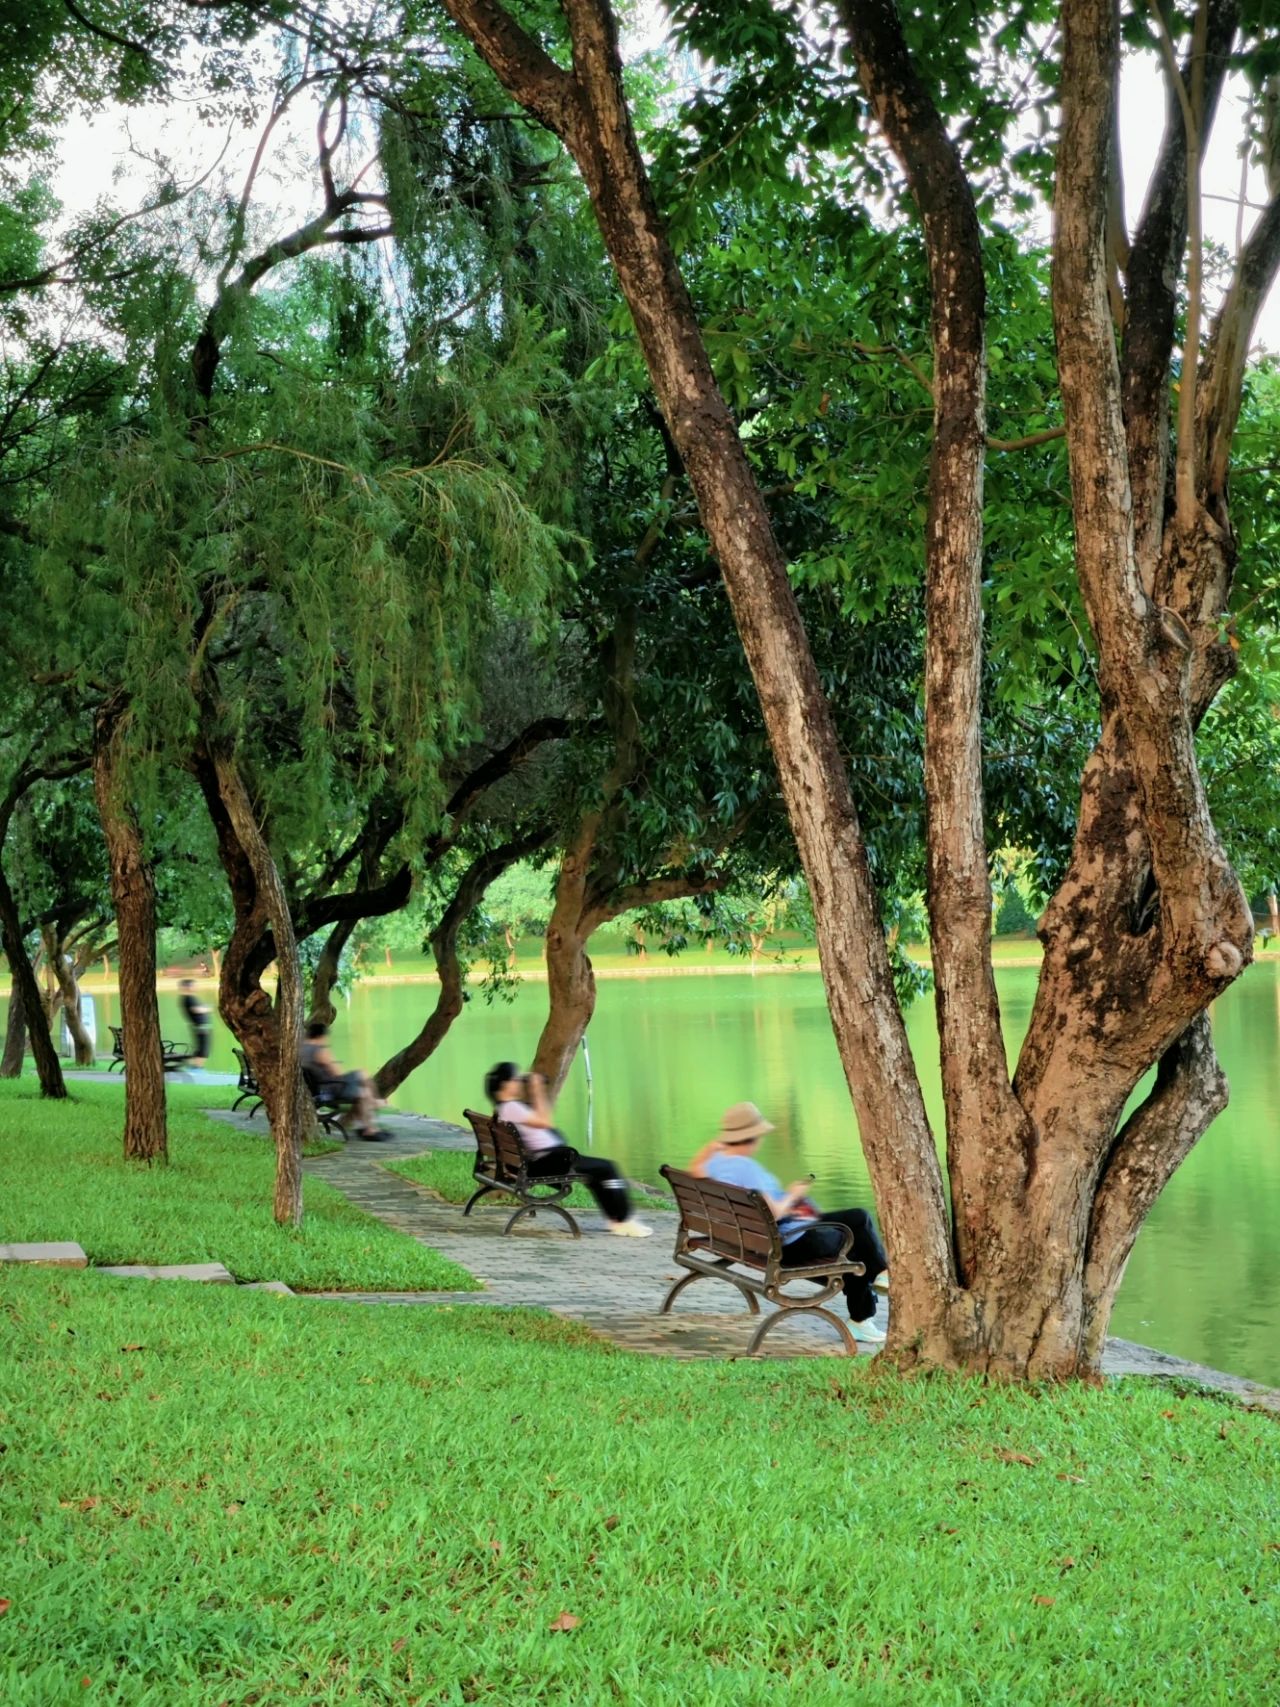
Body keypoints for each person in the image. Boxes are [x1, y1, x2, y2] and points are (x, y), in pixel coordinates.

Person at [688, 1101, 889, 1343]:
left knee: (857, 1218)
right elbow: (773, 1213)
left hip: (757, 1240)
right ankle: (867, 1307)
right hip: (789, 1243)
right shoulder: (746, 1169)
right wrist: (794, 1194)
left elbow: (694, 1169)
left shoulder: (715, 1163)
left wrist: (713, 1146)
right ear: (753, 1136)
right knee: (856, 1244)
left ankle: (877, 1284)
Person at [485, 1061, 653, 1237]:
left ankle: (617, 1220)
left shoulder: (504, 1109)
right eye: (516, 1079)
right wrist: (537, 1090)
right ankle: (624, 1221)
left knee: (596, 1174)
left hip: (540, 1161)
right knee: (608, 1168)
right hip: (549, 1162)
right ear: (505, 1085)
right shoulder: (512, 1107)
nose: (520, 1082)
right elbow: (545, 1121)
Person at [301, 1021, 389, 1141]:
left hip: (317, 1090)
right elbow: (338, 1074)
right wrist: (334, 1063)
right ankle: (373, 1109)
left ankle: (369, 1127)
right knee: (363, 1076)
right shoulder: (320, 1051)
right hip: (331, 1089)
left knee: (363, 1092)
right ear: (321, 1036)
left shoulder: (302, 1049)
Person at [178, 978, 212, 1068]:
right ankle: (196, 1067)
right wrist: (206, 1009)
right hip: (200, 1027)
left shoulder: (190, 998)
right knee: (203, 1048)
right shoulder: (188, 998)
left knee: (202, 1048)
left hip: (202, 1027)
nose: (195, 987)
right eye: (193, 985)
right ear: (187, 987)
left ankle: (195, 1066)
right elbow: (196, 1009)